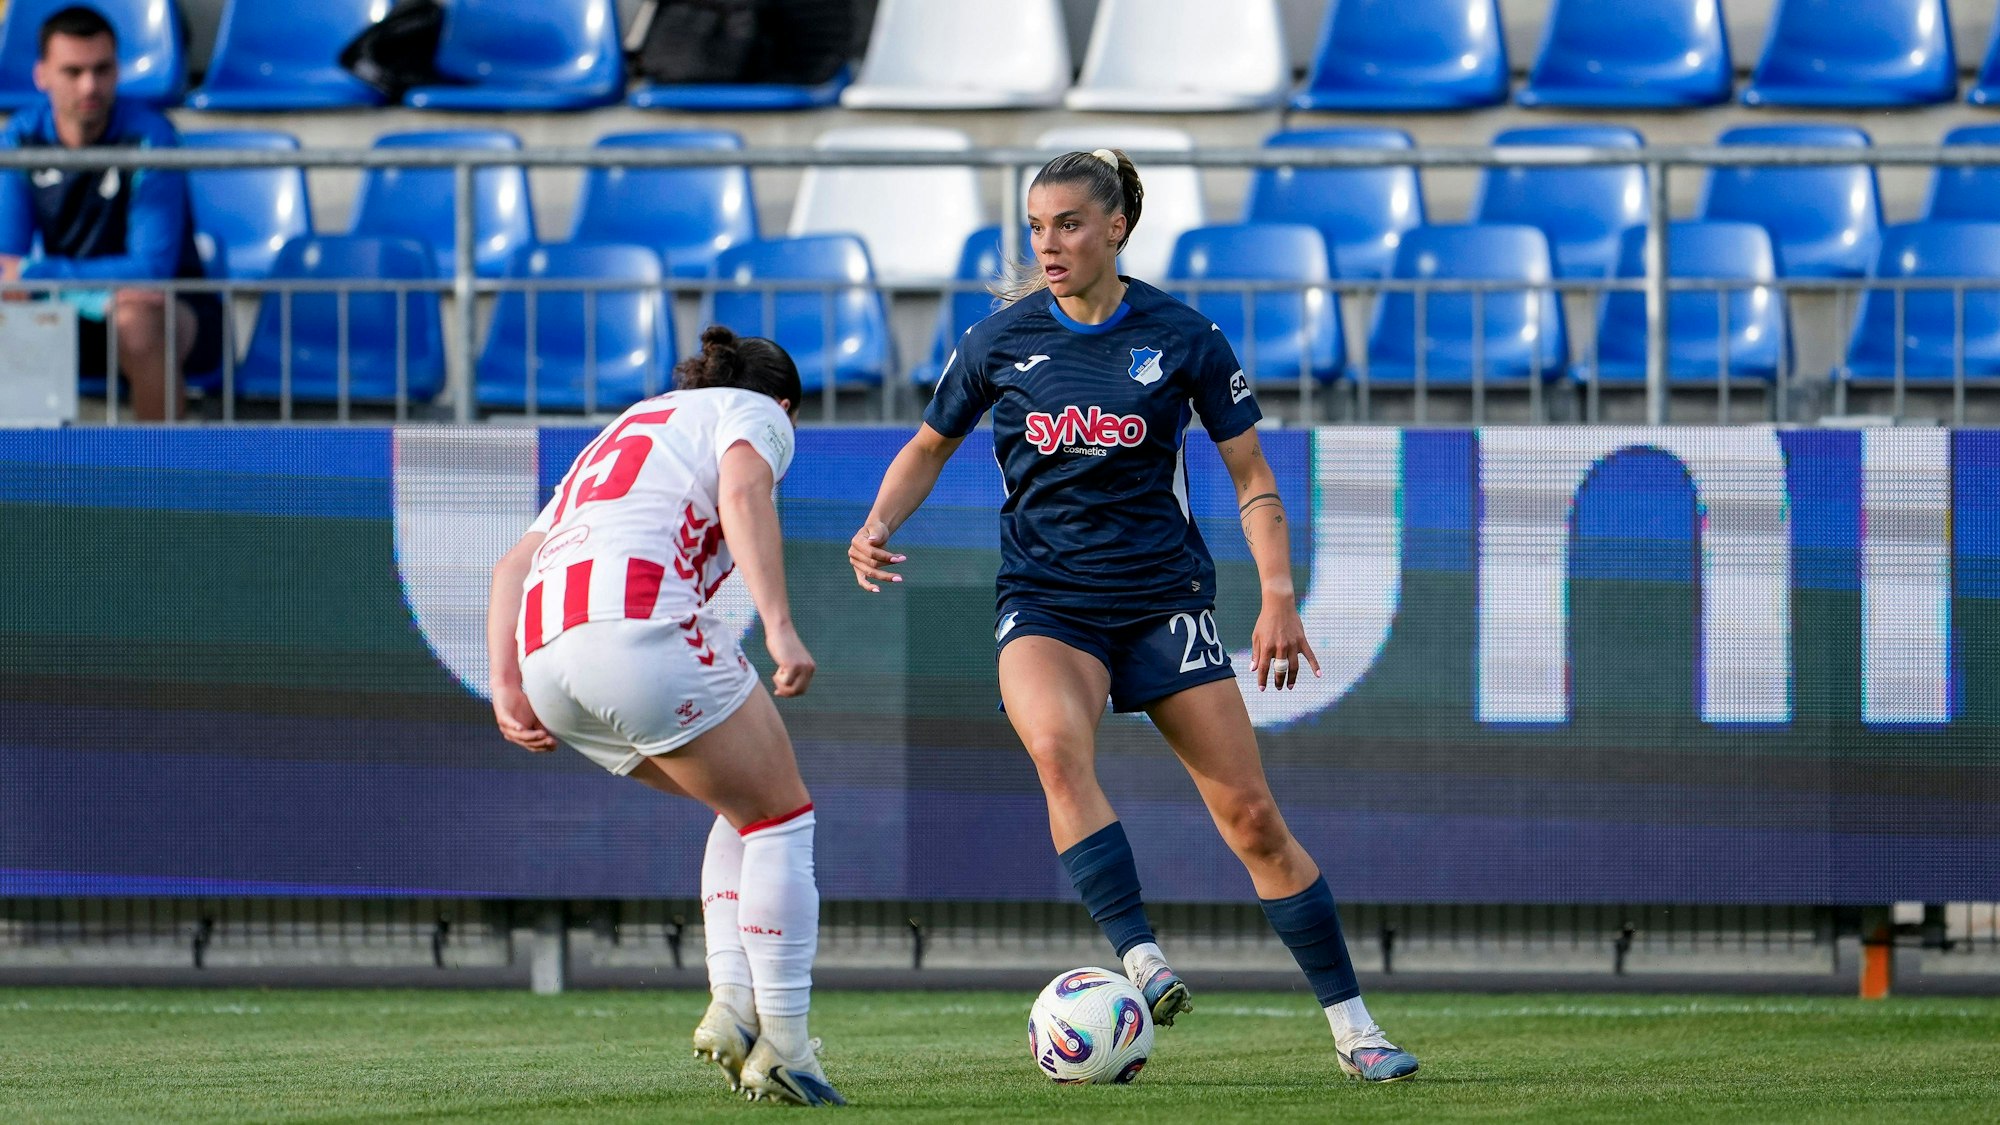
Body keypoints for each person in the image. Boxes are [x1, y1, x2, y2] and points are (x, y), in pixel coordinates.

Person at [848, 149, 1420, 1083]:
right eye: (1037, 227)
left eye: (1068, 224)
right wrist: (876, 522)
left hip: (1163, 602)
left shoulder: (1185, 336)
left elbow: (1253, 480)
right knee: (1055, 749)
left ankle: (1357, 1030)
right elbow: (927, 445)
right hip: (1048, 601)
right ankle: (1142, 958)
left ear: (1116, 226)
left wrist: (1278, 594)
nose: (1049, 244)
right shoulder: (999, 341)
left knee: (1252, 819)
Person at [486, 326, 846, 1107]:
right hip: (634, 628)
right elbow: (745, 491)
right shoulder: (757, 412)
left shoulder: (630, 424)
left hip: (546, 651)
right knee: (784, 818)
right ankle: (785, 1043)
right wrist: (779, 626)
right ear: (782, 401)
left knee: (744, 808)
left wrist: (505, 684)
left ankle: (732, 1002)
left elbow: (513, 562)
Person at [0, 5, 223, 422]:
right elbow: (6, 268)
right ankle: (26, 477)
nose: (90, 86)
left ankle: (161, 476)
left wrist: (37, 274)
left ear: (117, 72)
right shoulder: (20, 138)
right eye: (73, 72)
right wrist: (38, 280)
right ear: (41, 75)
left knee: (136, 317)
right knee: (8, 311)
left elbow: (150, 271)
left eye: (102, 69)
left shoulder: (151, 137)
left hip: (172, 310)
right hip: (72, 303)